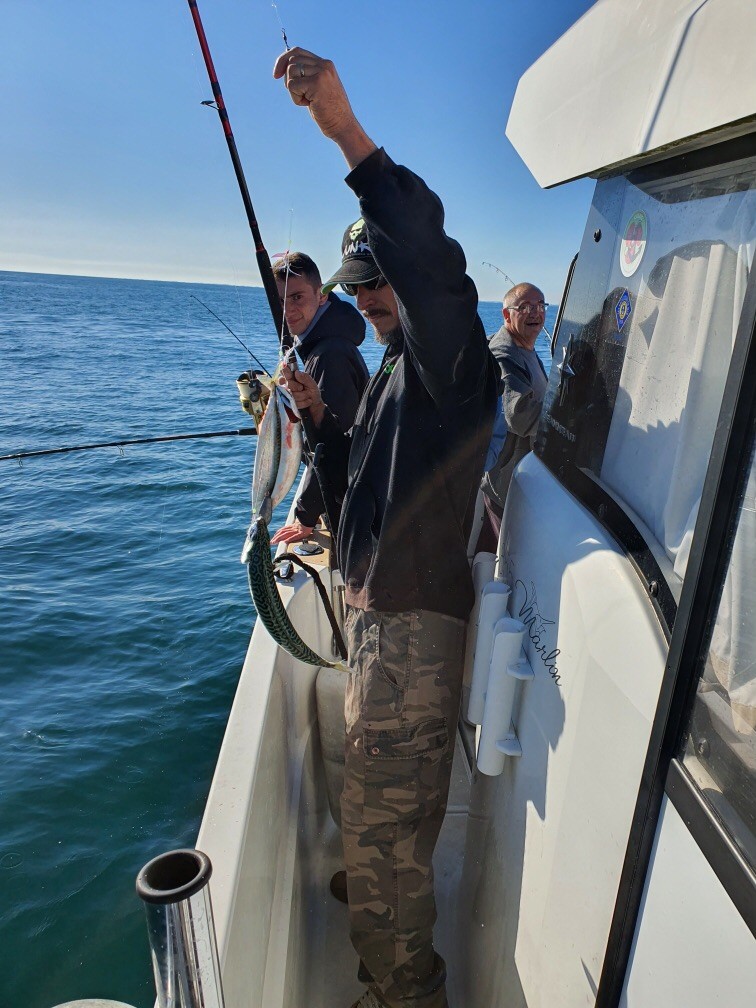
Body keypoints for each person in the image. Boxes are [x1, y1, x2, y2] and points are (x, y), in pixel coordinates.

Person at [271, 46, 498, 1008]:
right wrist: (320, 423)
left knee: (384, 816)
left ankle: (406, 987)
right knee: (371, 799)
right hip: (375, 618)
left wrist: (347, 133)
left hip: (412, 624)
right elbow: (359, 492)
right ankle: (374, 888)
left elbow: (430, 261)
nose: (366, 297)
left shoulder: (455, 363)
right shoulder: (399, 372)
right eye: (358, 284)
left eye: (374, 281)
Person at [271, 252, 369, 542]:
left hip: (349, 500)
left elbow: (333, 443)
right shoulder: (320, 345)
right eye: (280, 301)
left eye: (297, 297)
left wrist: (305, 516)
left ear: (322, 295)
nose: (287, 310)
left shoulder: (330, 355)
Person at [478, 283, 549, 550]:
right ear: (507, 315)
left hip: (520, 477)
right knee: (505, 558)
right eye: (525, 307)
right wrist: (567, 414)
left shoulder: (526, 347)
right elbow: (520, 417)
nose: (535, 312)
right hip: (505, 483)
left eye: (540, 305)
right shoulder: (503, 353)